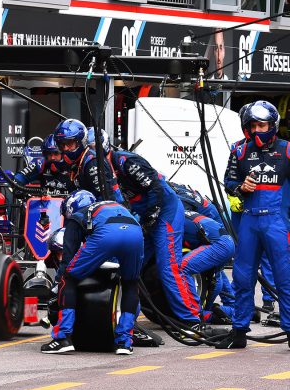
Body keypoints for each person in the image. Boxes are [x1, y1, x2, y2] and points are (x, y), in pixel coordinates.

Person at [217, 101, 290, 349]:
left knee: (285, 278)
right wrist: (240, 188)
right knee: (242, 277)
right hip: (248, 220)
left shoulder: (287, 149)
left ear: (272, 125)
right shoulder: (239, 150)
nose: (258, 130)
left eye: (263, 125)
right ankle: (239, 332)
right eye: (254, 125)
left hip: (277, 223)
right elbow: (229, 180)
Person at [110, 145, 208, 327]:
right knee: (128, 264)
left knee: (168, 267)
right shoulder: (99, 170)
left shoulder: (128, 162)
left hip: (164, 212)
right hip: (145, 215)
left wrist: (151, 216)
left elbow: (155, 189)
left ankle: (192, 319)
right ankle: (128, 321)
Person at [41, 190, 143, 355]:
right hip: (135, 232)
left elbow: (68, 258)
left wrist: (57, 284)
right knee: (131, 282)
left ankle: (62, 337)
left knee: (69, 277)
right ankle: (124, 342)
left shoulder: (77, 217)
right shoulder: (110, 205)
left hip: (107, 234)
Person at [181, 210, 236, 323]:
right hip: (220, 236)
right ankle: (236, 311)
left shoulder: (171, 211)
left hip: (217, 241)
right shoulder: (179, 205)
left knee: (183, 268)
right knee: (217, 274)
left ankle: (198, 315)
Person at [53, 119, 123, 203]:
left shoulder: (92, 163)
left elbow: (105, 200)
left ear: (80, 142)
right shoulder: (76, 161)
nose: (65, 148)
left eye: (69, 143)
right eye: (61, 144)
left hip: (109, 210)